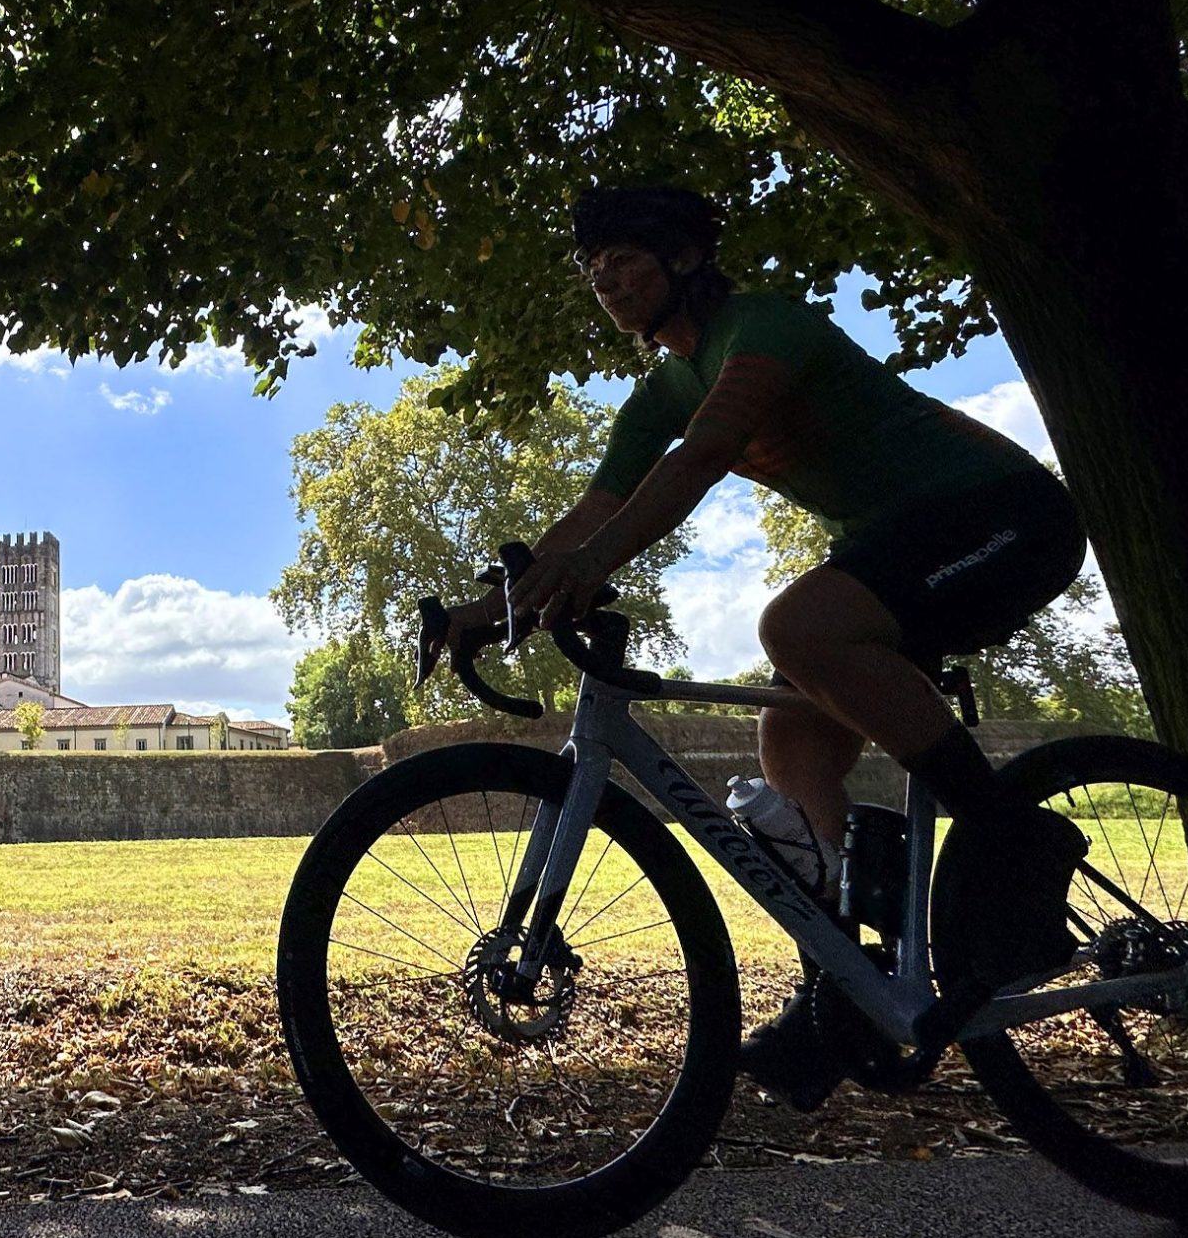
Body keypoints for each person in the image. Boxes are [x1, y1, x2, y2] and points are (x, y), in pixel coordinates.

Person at [445, 184, 1089, 1110]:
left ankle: (1013, 843)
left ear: (684, 259)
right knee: (790, 741)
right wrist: (492, 603)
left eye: (624, 260)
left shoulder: (764, 329)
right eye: (593, 271)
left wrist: (591, 564)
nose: (606, 282)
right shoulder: (664, 385)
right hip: (900, 539)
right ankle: (848, 990)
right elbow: (596, 508)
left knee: (797, 627)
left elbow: (703, 455)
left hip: (1001, 515)